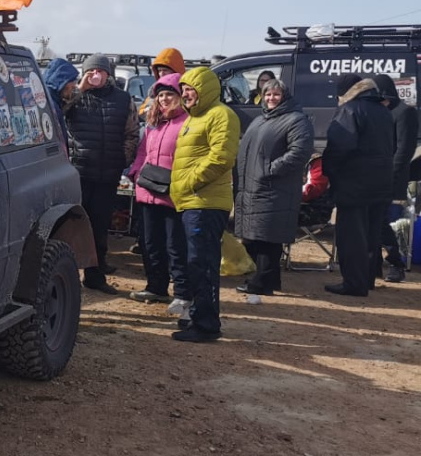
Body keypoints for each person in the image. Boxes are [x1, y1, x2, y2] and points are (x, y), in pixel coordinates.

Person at [169, 67, 239, 342]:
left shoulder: (221, 115)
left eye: (191, 89)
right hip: (190, 202)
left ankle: (207, 325)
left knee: (203, 263)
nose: (186, 94)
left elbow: (222, 157)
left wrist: (190, 182)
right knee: (194, 263)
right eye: (184, 89)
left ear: (205, 89)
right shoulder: (192, 119)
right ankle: (198, 316)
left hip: (206, 202)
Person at [65, 54, 140, 293]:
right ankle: (67, 275)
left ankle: (95, 276)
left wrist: (122, 160)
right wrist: (80, 88)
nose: (96, 75)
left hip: (108, 174)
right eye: (91, 71)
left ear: (108, 74)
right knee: (71, 226)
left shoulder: (123, 99)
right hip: (78, 173)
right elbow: (58, 111)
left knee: (99, 225)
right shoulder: (75, 96)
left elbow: (132, 132)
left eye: (100, 71)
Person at [233, 78, 314, 294]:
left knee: (268, 238)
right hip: (252, 187)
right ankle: (269, 280)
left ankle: (261, 282)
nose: (271, 98)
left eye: (276, 94)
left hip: (275, 188)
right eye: (267, 94)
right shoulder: (260, 120)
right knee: (253, 236)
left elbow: (300, 151)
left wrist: (270, 169)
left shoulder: (296, 120)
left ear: (284, 97)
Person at [320, 74, 395, 297]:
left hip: (353, 183)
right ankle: (367, 279)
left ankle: (354, 283)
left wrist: (329, 171)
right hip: (380, 182)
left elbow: (340, 147)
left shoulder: (350, 110)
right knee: (372, 234)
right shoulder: (383, 111)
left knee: (352, 236)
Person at [126, 74, 189, 308]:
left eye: (169, 94)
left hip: (173, 193)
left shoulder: (187, 123)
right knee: (150, 243)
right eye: (160, 95)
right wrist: (135, 173)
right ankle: (156, 287)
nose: (163, 99)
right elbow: (143, 152)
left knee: (175, 245)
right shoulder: (154, 123)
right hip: (148, 191)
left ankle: (182, 292)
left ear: (180, 96)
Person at [371, 74, 417, 282]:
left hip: (390, 178)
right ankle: (374, 265)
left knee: (383, 222)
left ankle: (395, 263)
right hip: (373, 177)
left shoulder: (405, 112)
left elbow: (404, 150)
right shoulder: (378, 111)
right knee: (373, 221)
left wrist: (389, 176)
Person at [137, 48, 186, 119]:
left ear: (175, 71)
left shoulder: (187, 92)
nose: (162, 74)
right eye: (159, 70)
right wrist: (154, 111)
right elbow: (142, 114)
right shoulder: (154, 92)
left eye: (165, 70)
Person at [42, 58, 80, 152]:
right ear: (62, 81)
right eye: (72, 81)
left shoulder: (49, 101)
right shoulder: (51, 108)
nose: (74, 85)